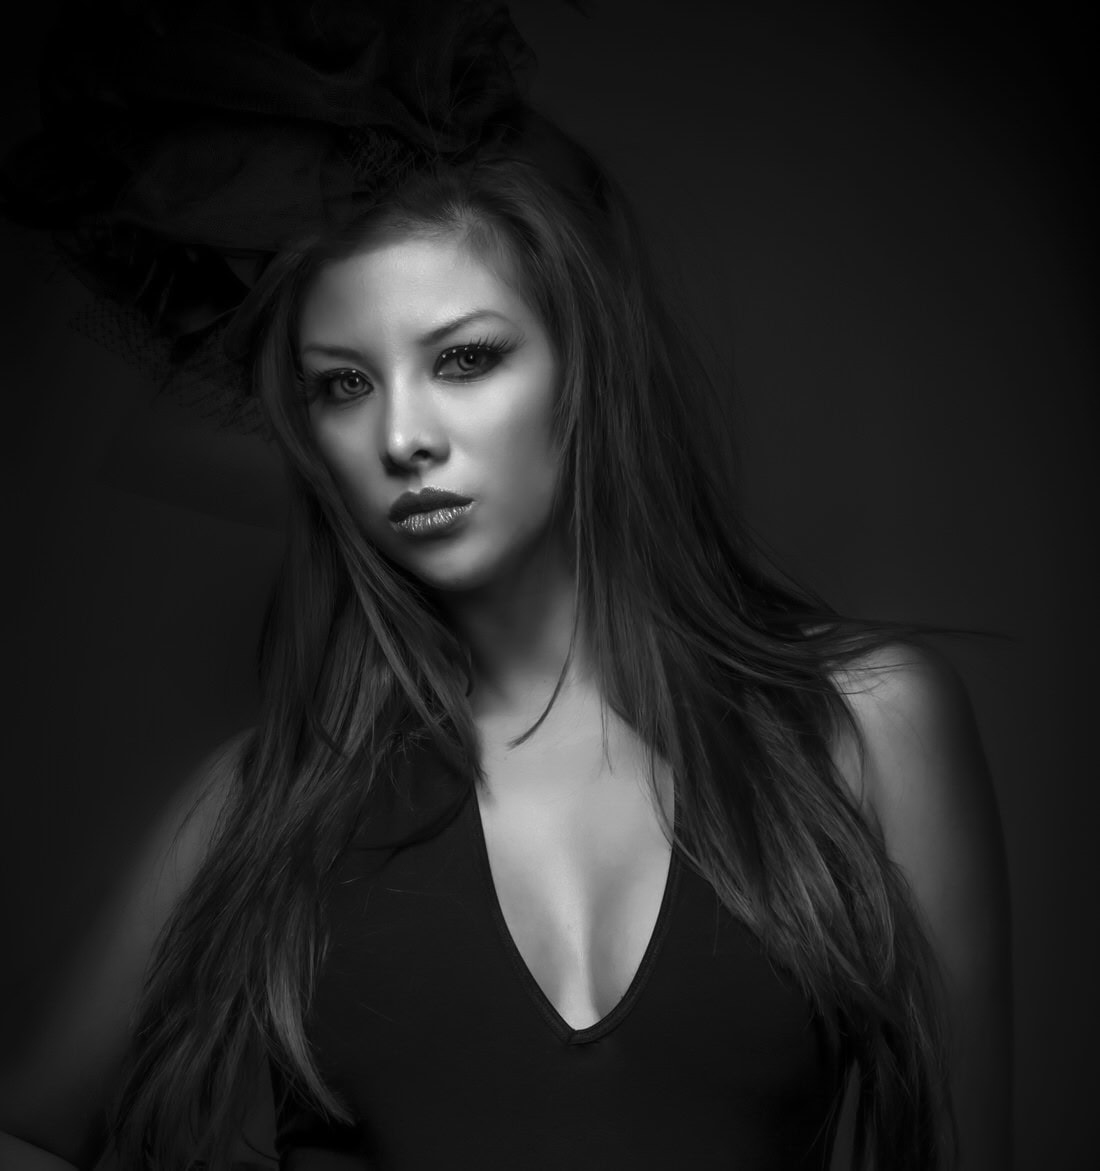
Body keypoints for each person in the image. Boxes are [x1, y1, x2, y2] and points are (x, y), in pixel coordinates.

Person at [0, 1, 1010, 1167]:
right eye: (342, 386)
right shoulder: (265, 801)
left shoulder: (867, 730)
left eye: (464, 358)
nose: (401, 438)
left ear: (583, 372)